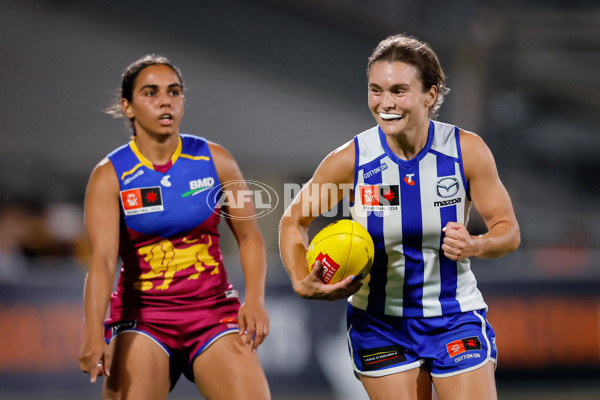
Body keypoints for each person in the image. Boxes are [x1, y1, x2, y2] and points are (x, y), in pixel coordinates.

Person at [279, 34, 520, 400]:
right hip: (379, 323)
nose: (385, 103)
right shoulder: (351, 160)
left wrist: (475, 244)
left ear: (431, 95)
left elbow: (508, 232)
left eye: (398, 90)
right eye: (376, 90)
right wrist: (301, 279)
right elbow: (293, 221)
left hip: (454, 317)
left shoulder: (465, 151)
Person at [78, 54, 271, 399]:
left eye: (174, 91)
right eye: (150, 93)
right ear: (128, 107)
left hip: (213, 314)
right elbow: (103, 260)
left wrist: (254, 300)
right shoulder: (109, 176)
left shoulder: (217, 160)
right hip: (144, 320)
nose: (165, 100)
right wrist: (94, 333)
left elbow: (250, 236)